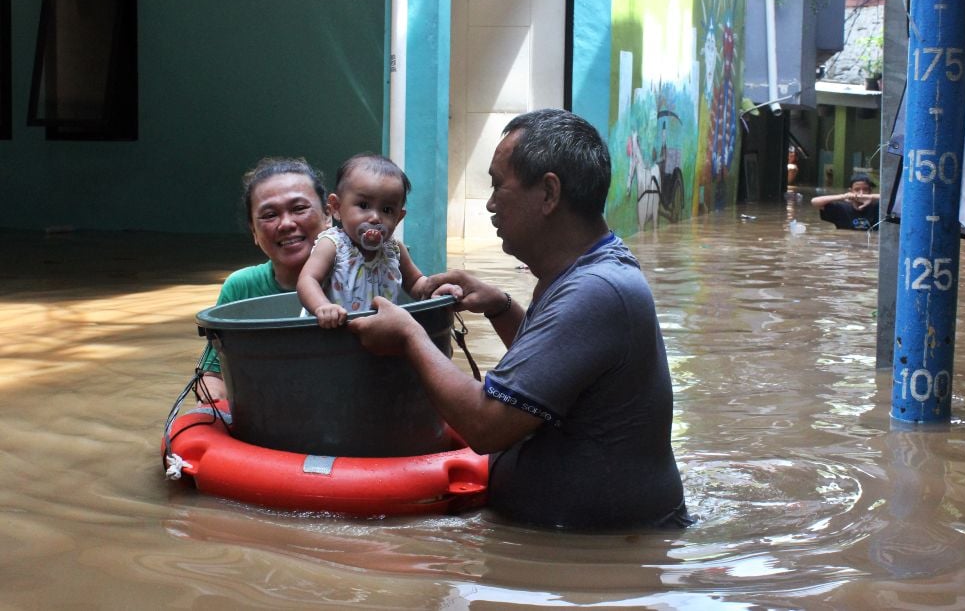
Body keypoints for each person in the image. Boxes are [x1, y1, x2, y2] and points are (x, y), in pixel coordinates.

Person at [348, 109, 691, 531]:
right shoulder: (590, 270)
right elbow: (558, 372)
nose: (490, 204)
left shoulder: (595, 290)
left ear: (548, 193)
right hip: (579, 547)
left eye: (498, 185)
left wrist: (409, 335)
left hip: (592, 565)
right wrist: (501, 308)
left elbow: (486, 424)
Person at [198, 156, 331, 402]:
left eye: (299, 208)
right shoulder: (242, 288)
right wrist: (212, 405)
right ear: (254, 233)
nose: (286, 224)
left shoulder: (363, 277)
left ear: (328, 214)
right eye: (269, 215)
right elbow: (214, 375)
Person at [297, 153, 429, 327]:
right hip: (331, 334)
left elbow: (415, 283)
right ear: (337, 207)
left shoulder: (394, 249)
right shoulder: (333, 245)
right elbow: (308, 280)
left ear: (398, 218)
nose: (375, 218)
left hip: (380, 335)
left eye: (387, 210)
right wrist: (322, 306)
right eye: (364, 205)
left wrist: (435, 289)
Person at [810, 172, 881, 230]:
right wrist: (843, 196)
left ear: (870, 191)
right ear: (851, 191)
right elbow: (814, 202)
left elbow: (890, 200)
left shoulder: (878, 208)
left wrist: (870, 197)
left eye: (865, 190)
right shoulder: (841, 209)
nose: (861, 194)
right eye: (857, 190)